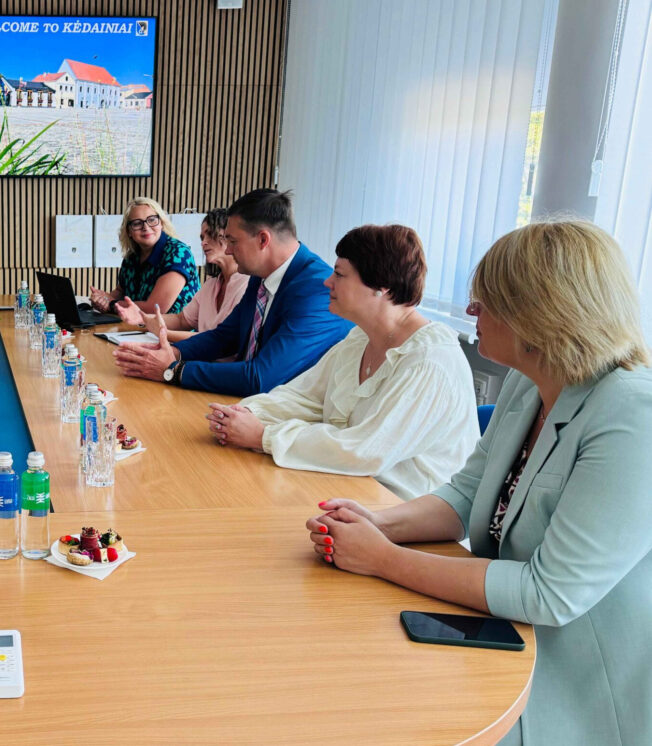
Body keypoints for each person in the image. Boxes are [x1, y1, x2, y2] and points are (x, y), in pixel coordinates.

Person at [306, 220, 652, 744]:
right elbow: (466, 493)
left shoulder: (632, 415)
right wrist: (375, 523)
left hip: (579, 682)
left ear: (541, 313)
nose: (470, 311)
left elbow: (549, 593)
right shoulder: (529, 382)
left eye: (486, 300)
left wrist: (382, 558)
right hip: (500, 635)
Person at [207, 225, 476, 500]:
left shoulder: (429, 362)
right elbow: (305, 397)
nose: (328, 282)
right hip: (350, 489)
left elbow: (367, 450)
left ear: (381, 286)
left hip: (402, 507)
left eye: (339, 274)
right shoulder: (360, 339)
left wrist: (264, 436)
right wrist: (246, 413)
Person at [114, 189, 352, 396]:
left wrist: (174, 370)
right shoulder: (261, 275)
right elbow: (225, 336)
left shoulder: (317, 290)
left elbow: (260, 377)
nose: (227, 250)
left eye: (233, 241)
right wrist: (172, 352)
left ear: (263, 240)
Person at [113, 208, 249, 354]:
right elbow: (182, 320)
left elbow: (218, 340)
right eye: (202, 237)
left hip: (214, 365)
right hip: (197, 358)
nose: (203, 243)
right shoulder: (211, 285)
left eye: (210, 234)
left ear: (230, 235)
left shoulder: (248, 285)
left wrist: (163, 332)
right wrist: (142, 318)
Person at [87, 197, 199, 315]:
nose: (146, 227)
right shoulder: (131, 257)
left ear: (161, 223)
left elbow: (155, 308)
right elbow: (120, 292)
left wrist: (111, 304)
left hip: (174, 326)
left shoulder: (178, 253)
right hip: (137, 325)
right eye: (137, 223)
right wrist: (102, 299)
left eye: (152, 220)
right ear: (129, 232)